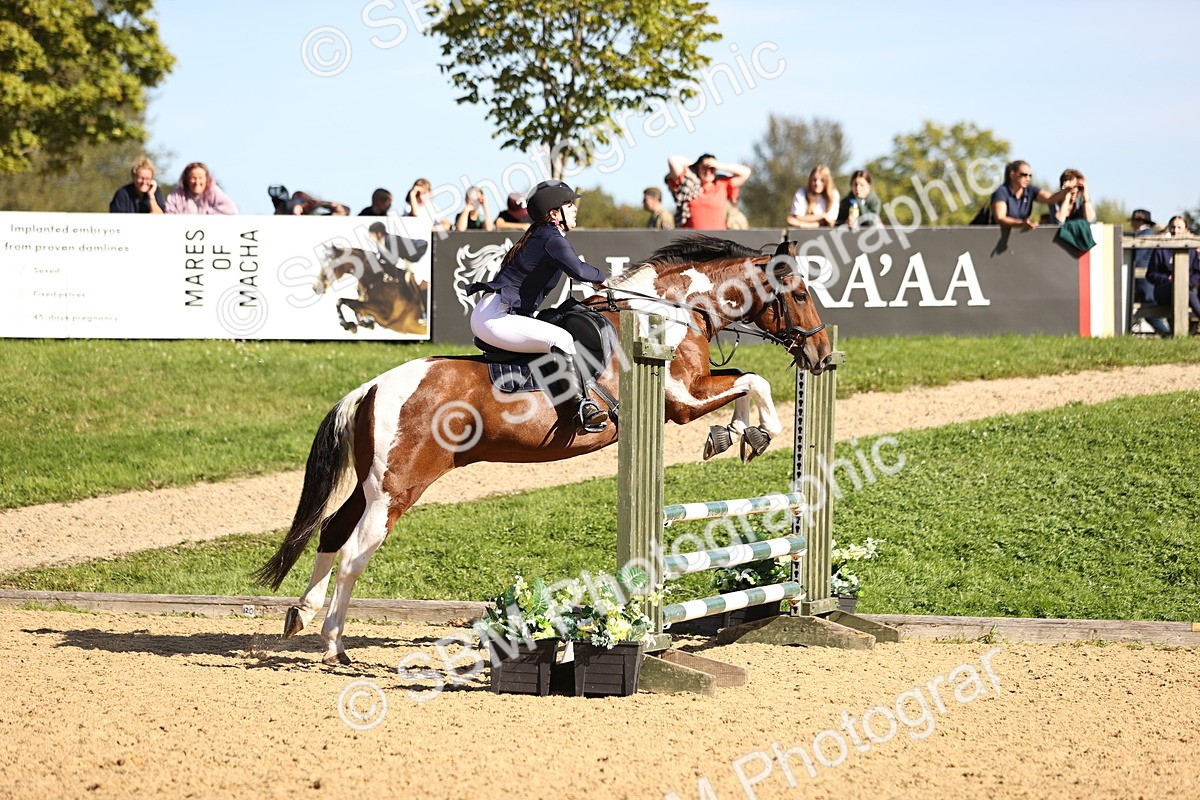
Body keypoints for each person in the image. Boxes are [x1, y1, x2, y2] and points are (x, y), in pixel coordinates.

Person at [467, 179, 609, 433]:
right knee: (562, 338)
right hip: (496, 317)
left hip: (496, 313)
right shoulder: (551, 237)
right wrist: (606, 279)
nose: (575, 208)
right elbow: (578, 269)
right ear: (554, 213)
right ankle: (582, 408)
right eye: (569, 204)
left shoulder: (544, 234)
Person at [1143, 215, 1200, 336]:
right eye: (1173, 227)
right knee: (1182, 288)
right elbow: (1151, 274)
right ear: (1169, 228)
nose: (1176, 230)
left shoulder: (1191, 251)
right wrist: (1168, 279)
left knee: (1184, 289)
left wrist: (1185, 282)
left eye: (1179, 227)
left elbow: (1197, 273)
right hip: (1163, 291)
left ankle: (1180, 335)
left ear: (1185, 229)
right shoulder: (1161, 249)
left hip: (1186, 290)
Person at [665, 153, 751, 229]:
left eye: (711, 168)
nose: (708, 171)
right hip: (691, 242)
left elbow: (746, 172)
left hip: (717, 242)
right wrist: (697, 163)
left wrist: (717, 165)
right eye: (704, 168)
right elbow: (672, 160)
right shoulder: (689, 183)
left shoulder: (722, 184)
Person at [367, 221, 429, 321]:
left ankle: (424, 312)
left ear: (379, 233)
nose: (370, 237)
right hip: (409, 260)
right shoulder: (380, 244)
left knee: (416, 281)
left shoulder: (391, 239)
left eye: (372, 234)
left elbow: (393, 260)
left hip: (421, 255)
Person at [989, 160, 1071, 230]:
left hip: (1019, 239)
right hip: (995, 238)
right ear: (1012, 174)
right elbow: (1000, 218)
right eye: (1024, 175)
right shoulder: (1001, 192)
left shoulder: (1030, 190)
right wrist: (1021, 223)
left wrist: (1066, 190)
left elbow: (1050, 198)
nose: (1027, 178)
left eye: (1030, 176)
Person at [164, 162, 238, 215]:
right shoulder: (177, 195)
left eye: (200, 178)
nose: (197, 182)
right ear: (186, 179)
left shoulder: (213, 191)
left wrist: (206, 213)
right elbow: (168, 212)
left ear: (206, 179)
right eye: (193, 178)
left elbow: (232, 209)